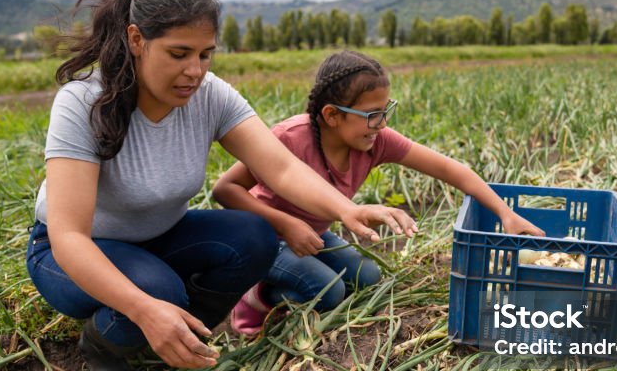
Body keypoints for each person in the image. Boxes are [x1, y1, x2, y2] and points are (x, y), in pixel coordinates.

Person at [26, 0, 415, 371]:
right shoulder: (85, 102)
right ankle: (105, 348)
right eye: (178, 53)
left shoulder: (210, 95)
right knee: (156, 292)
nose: (194, 70)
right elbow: (69, 235)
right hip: (71, 253)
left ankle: (181, 331)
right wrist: (144, 308)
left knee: (254, 234)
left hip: (160, 236)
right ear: (137, 40)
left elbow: (280, 168)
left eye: (205, 54)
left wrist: (346, 210)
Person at [212, 50, 544, 335]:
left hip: (312, 234)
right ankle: (256, 298)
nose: (382, 124)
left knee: (368, 278)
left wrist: (506, 214)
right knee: (329, 292)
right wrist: (285, 225)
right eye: (372, 115)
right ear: (332, 115)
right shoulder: (289, 138)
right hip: (265, 239)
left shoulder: (375, 140)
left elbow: (448, 169)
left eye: (386, 111)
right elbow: (224, 189)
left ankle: (286, 288)